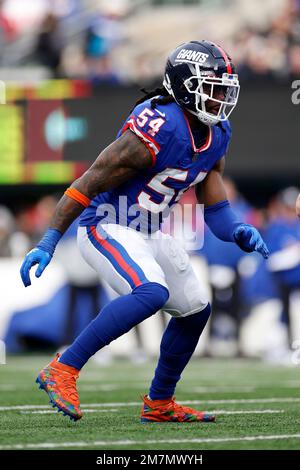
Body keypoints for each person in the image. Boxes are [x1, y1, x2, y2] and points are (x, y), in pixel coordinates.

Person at [20, 40, 269, 423]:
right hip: (106, 224)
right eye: (213, 87)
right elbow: (88, 183)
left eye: (224, 89)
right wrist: (49, 240)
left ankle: (159, 403)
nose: (220, 98)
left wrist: (237, 229)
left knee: (195, 309)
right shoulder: (159, 126)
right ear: (185, 85)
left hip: (149, 230)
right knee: (152, 292)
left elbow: (215, 206)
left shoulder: (217, 133)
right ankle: (63, 368)